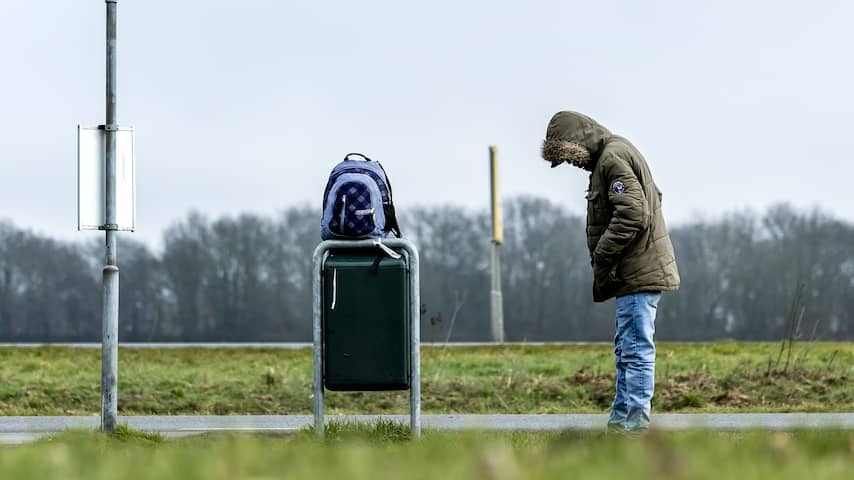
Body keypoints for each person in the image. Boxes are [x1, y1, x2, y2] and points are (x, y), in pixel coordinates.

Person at [541, 111, 680, 434]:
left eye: (569, 157)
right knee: (626, 349)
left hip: (636, 272)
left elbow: (633, 213)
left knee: (635, 350)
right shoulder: (612, 155)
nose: (573, 165)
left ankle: (635, 426)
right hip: (631, 274)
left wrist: (604, 252)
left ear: (577, 142)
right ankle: (621, 423)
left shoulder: (611, 158)